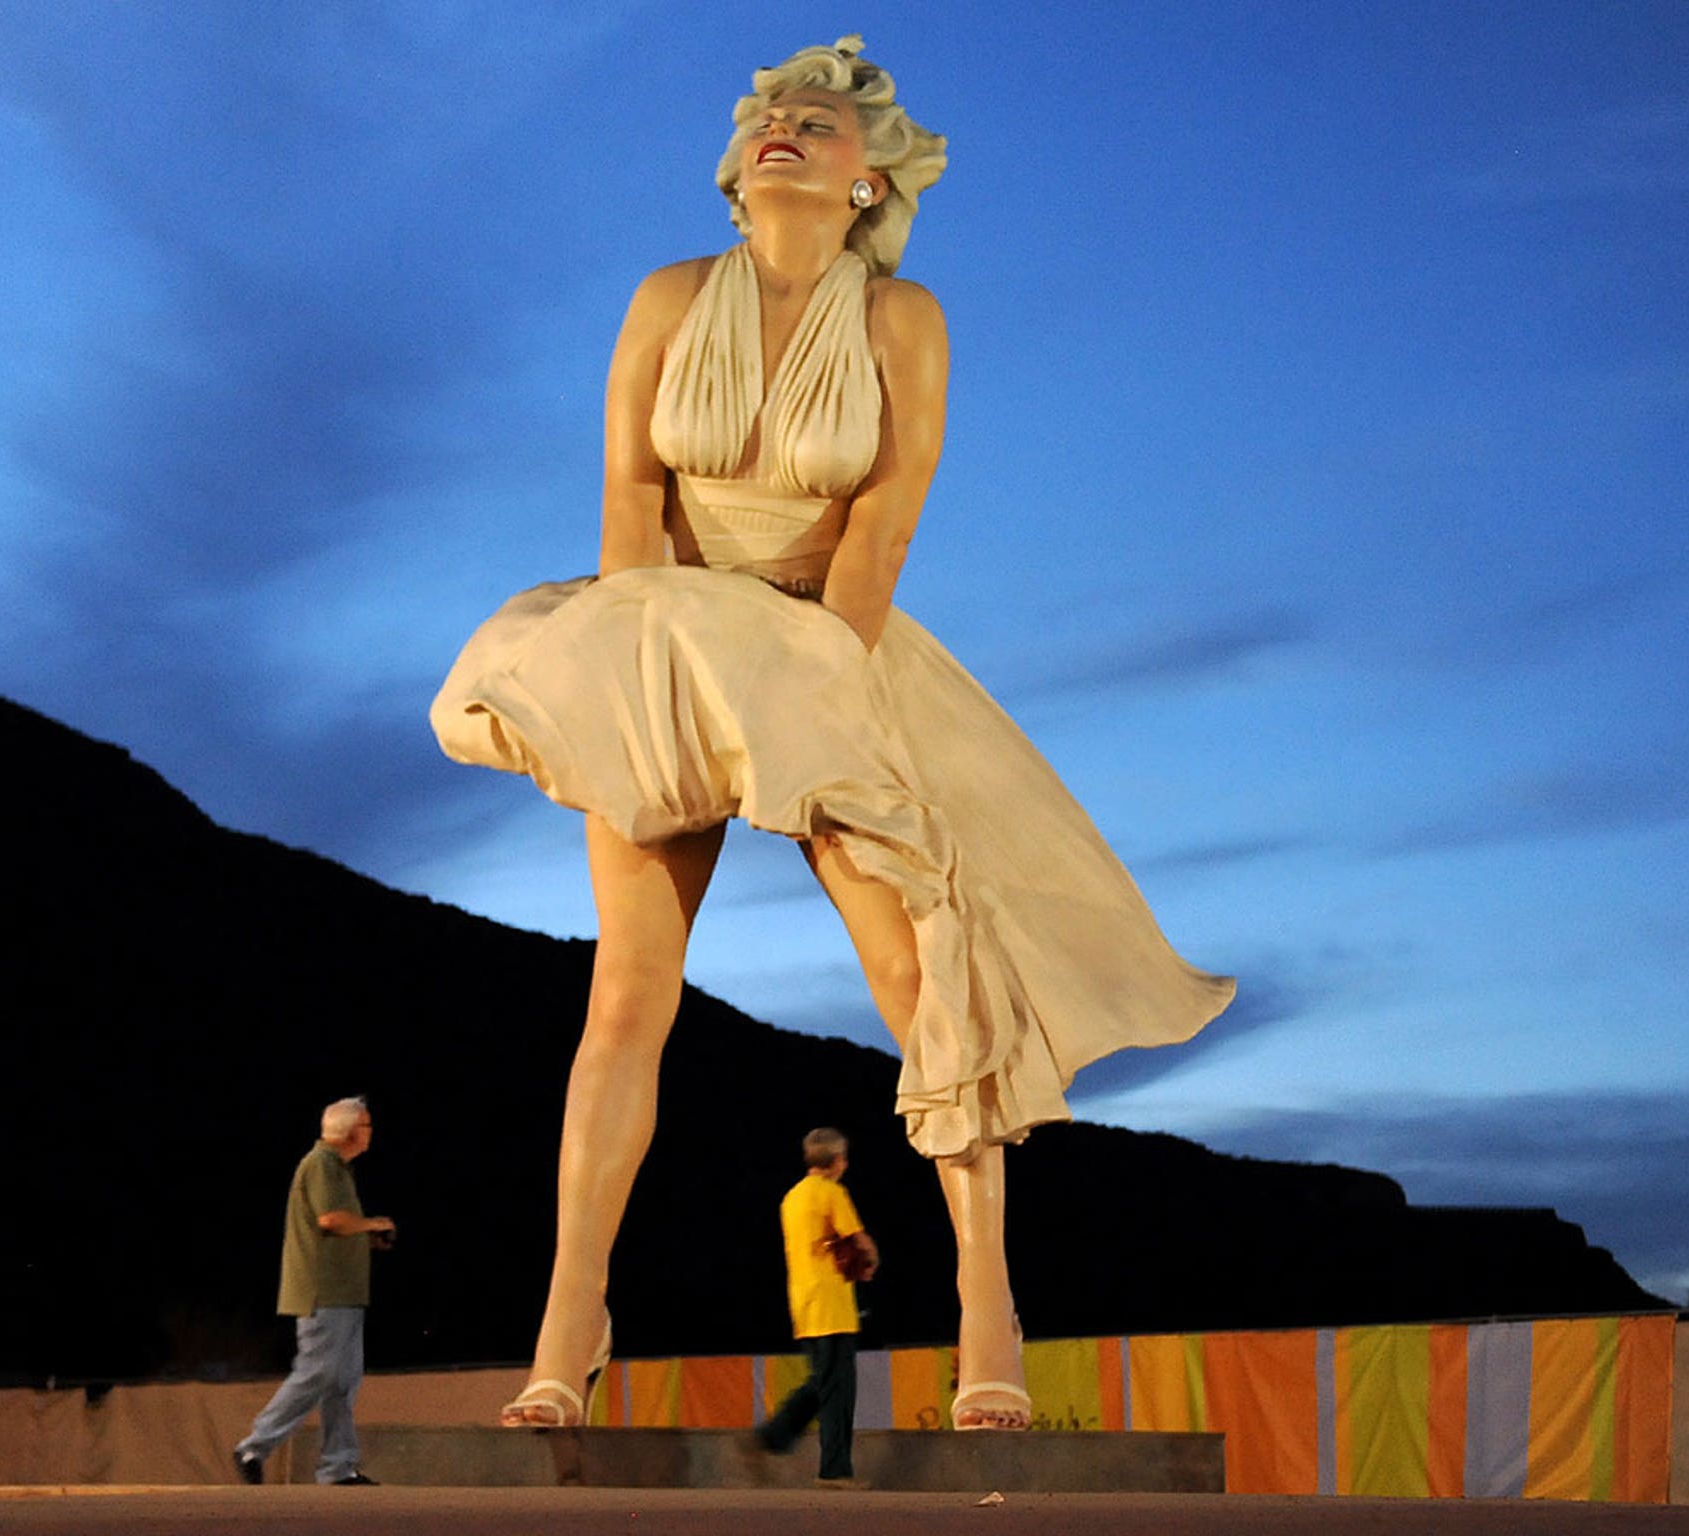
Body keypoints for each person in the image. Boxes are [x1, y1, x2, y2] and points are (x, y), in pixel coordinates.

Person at [430, 35, 1233, 1432]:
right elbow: (629, 493)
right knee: (627, 991)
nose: (786, 131)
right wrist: (637, 667)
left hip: (827, 644)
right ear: (740, 169)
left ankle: (988, 1304)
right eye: (770, 121)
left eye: (820, 122)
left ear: (869, 181)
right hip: (667, 634)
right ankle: (572, 1318)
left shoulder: (902, 316)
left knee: (925, 982)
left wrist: (819, 692)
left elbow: (884, 521)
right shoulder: (672, 294)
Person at [233, 1097, 394, 1485]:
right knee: (317, 1373)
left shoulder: (338, 1168)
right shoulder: (322, 1164)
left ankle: (337, 1466)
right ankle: (254, 1445)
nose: (371, 1132)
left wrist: (367, 1239)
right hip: (325, 1293)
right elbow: (331, 1219)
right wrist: (371, 1225)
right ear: (351, 1130)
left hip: (346, 1294)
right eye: (367, 1125)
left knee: (341, 1382)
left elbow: (335, 1227)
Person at [759, 1128, 877, 1480]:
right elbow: (861, 1244)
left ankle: (779, 1434)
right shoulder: (831, 1193)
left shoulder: (791, 1198)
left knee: (822, 1384)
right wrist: (871, 1259)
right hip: (834, 1307)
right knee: (836, 1394)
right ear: (837, 1161)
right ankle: (830, 1468)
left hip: (804, 1303)